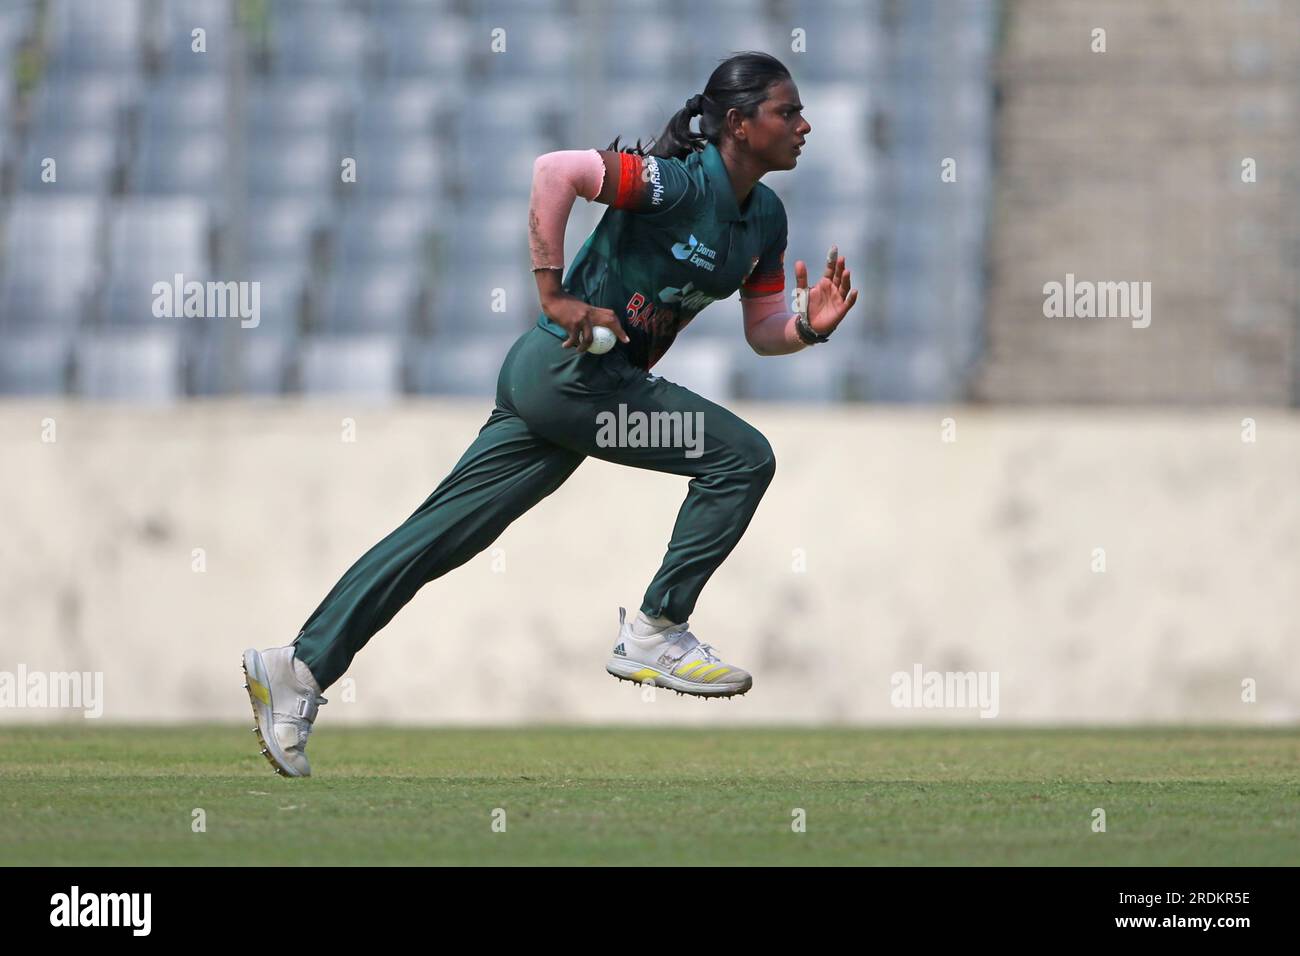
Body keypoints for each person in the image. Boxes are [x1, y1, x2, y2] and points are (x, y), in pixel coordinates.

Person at [243, 51, 857, 777]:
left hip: (574, 388)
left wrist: (808, 328)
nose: (803, 125)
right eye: (788, 112)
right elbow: (553, 172)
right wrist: (554, 295)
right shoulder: (676, 182)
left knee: (436, 539)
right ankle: (657, 630)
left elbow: (762, 332)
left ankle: (299, 668)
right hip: (572, 377)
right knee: (741, 457)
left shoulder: (766, 220)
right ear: (737, 123)